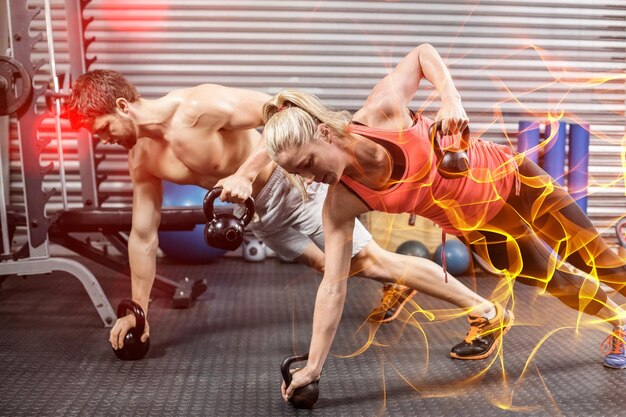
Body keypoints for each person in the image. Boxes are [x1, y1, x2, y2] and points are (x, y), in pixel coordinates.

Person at [262, 43, 626, 400]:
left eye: (308, 163)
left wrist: (451, 98)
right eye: (298, 173)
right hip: (482, 229)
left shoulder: (381, 113)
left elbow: (422, 53)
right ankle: (619, 324)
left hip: (515, 182)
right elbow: (332, 287)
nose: (309, 178)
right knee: (559, 282)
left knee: (600, 263)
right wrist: (312, 367)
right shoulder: (340, 204)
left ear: (324, 134)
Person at [66, 70, 508, 363]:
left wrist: (244, 171)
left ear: (122, 107)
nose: (105, 140)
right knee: (332, 267)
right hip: (261, 218)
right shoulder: (141, 158)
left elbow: (284, 112)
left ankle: (486, 311)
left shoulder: (197, 107)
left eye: (103, 129)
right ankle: (397, 281)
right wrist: (138, 312)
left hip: (294, 187)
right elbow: (143, 237)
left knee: (369, 262)